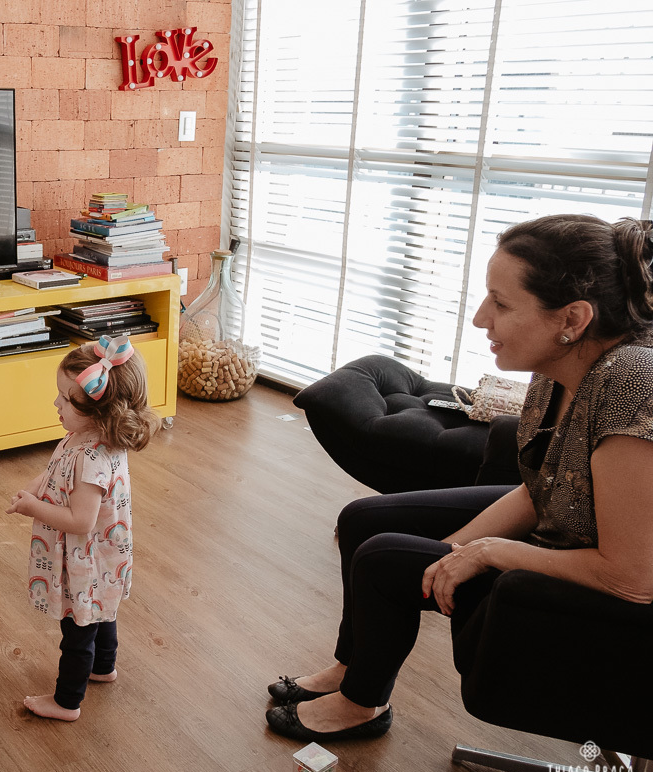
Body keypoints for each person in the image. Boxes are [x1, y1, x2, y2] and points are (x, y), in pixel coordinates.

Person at [265, 214, 653, 742]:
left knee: (383, 559)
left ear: (574, 318)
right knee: (363, 520)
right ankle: (354, 670)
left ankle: (362, 706)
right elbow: (543, 491)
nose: (479, 319)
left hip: (605, 598)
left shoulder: (632, 383)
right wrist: (450, 550)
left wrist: (490, 551)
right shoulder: (557, 370)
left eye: (501, 302)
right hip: (565, 532)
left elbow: (630, 578)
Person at [6, 336, 158, 721]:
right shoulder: (90, 437)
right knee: (101, 613)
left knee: (77, 631)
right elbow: (58, 465)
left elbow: (81, 521)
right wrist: (40, 484)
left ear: (99, 411)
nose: (56, 403)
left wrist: (32, 508)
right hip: (104, 558)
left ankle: (66, 702)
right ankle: (103, 668)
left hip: (85, 561)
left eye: (64, 399)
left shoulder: (92, 460)